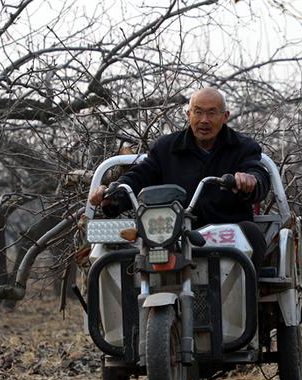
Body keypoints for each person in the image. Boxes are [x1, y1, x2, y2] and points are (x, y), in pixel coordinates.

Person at [89, 87, 270, 273]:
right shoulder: (166, 148)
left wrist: (251, 180)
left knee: (252, 234)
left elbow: (258, 173)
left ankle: (246, 299)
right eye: (198, 112)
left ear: (225, 116)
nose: (204, 120)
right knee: (117, 254)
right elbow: (139, 176)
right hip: (171, 230)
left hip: (226, 231)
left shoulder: (243, 147)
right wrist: (114, 195)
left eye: (212, 113)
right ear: (188, 114)